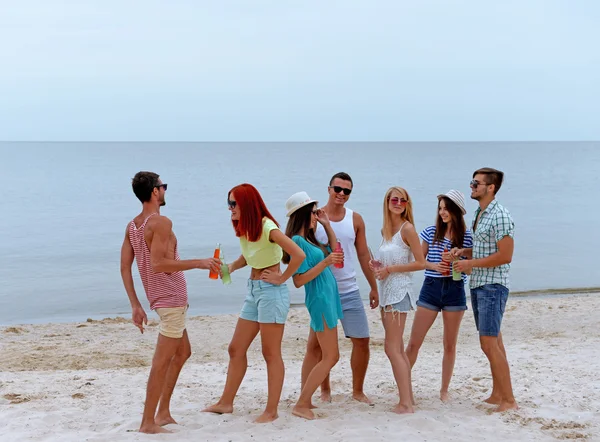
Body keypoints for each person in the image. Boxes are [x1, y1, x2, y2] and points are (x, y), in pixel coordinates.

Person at [120, 171, 221, 434]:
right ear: (155, 191)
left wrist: (136, 304)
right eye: (163, 186)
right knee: (160, 363)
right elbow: (158, 264)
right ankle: (147, 422)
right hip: (170, 299)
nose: (165, 190)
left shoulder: (133, 225)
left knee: (183, 352)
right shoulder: (161, 223)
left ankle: (163, 412)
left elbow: (124, 268)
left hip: (162, 300)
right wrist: (200, 263)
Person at [203, 183, 305, 423]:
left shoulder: (268, 227)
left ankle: (271, 411)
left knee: (270, 353)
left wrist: (282, 277)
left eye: (233, 204)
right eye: (228, 204)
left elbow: (298, 254)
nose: (230, 209)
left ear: (246, 204)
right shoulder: (247, 229)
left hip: (271, 292)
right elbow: (249, 256)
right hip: (253, 291)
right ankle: (226, 403)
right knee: (235, 348)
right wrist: (230, 268)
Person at [453, 167, 518, 412]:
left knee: (488, 343)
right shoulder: (480, 214)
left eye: (476, 183)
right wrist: (464, 253)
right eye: (472, 182)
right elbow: (486, 249)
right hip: (479, 283)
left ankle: (510, 401)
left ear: (490, 187)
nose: (472, 186)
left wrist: (470, 263)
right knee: (495, 342)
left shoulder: (500, 215)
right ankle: (498, 393)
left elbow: (505, 255)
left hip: (493, 286)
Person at [313, 172, 379, 403]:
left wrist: (373, 286)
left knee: (361, 341)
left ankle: (358, 391)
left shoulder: (356, 219)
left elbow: (362, 254)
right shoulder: (315, 217)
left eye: (346, 191)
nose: (341, 194)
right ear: (329, 188)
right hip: (323, 292)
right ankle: (324, 391)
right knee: (320, 346)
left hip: (349, 289)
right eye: (337, 189)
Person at [405, 190, 473, 402]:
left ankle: (444, 391)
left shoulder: (468, 237)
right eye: (440, 208)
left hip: (455, 289)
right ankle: (404, 386)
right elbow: (420, 261)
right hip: (431, 286)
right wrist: (437, 266)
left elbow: (470, 270)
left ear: (457, 211)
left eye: (446, 208)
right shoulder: (430, 232)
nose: (442, 212)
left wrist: (458, 256)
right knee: (415, 342)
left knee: (449, 344)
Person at [282, 192, 344, 420]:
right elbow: (298, 280)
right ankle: (301, 403)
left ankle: (305, 399)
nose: (316, 217)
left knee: (314, 350)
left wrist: (327, 225)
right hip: (320, 299)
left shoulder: (309, 240)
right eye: (313, 213)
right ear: (302, 215)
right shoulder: (297, 242)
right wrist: (326, 262)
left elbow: (335, 251)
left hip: (326, 296)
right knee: (331, 356)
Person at [369, 186, 425, 414]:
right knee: (398, 348)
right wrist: (380, 268)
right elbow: (391, 261)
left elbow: (420, 263)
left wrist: (390, 269)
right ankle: (408, 399)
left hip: (400, 293)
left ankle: (405, 403)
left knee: (392, 348)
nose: (399, 203)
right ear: (387, 201)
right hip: (385, 293)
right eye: (395, 199)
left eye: (403, 200)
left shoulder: (407, 229)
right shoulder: (385, 229)